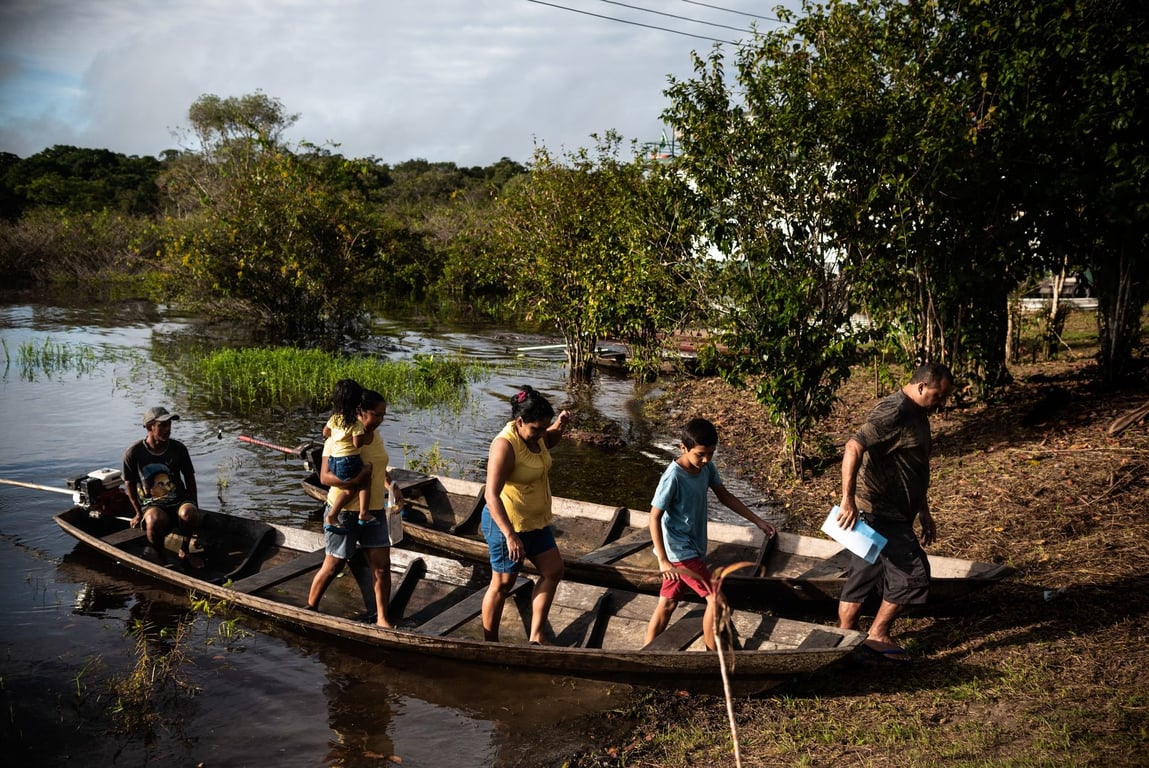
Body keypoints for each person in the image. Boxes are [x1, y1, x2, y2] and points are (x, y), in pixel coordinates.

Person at [835, 361, 954, 662]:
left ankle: (845, 638)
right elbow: (853, 447)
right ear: (922, 386)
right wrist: (847, 499)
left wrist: (924, 510)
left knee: (862, 577)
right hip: (879, 514)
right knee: (914, 574)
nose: (941, 403)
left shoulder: (918, 413)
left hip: (892, 512)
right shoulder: (894, 411)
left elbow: (914, 467)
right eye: (938, 396)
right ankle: (878, 633)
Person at [643, 417, 776, 650]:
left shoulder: (706, 468)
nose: (705, 460)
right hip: (679, 551)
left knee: (667, 604)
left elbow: (725, 497)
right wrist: (663, 560)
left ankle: (646, 652)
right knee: (716, 600)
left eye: (711, 454)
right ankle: (713, 654)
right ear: (683, 448)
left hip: (693, 546)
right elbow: (654, 516)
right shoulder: (673, 477)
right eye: (700, 455)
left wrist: (758, 521)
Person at [480, 386, 572, 644]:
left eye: (544, 428)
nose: (541, 434)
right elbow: (491, 495)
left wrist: (558, 425)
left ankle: (537, 635)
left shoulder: (537, 435)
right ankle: (490, 643)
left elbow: (549, 440)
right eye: (536, 429)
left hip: (535, 523)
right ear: (519, 422)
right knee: (502, 584)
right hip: (506, 524)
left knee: (553, 571)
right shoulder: (505, 446)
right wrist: (510, 535)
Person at [306, 388, 404, 628]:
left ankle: (382, 619)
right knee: (334, 565)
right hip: (344, 512)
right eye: (376, 415)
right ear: (361, 412)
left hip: (375, 511)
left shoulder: (375, 436)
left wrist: (391, 485)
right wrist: (352, 482)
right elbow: (325, 477)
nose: (379, 420)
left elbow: (377, 466)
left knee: (382, 567)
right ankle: (310, 608)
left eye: (383, 415)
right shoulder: (338, 437)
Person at [123, 406, 203, 568]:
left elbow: (189, 477)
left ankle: (185, 550)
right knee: (153, 520)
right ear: (149, 427)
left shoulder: (178, 449)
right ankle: (162, 558)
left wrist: (194, 504)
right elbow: (129, 484)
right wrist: (138, 513)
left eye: (169, 425)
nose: (168, 429)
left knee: (189, 512)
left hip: (179, 501)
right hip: (153, 505)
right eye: (163, 425)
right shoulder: (134, 453)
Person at [322, 379, 375, 528]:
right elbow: (357, 443)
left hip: (334, 461)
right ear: (357, 403)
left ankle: (336, 514)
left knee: (349, 488)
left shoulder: (334, 419)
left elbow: (325, 433)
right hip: (349, 461)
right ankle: (361, 512)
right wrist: (365, 436)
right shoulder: (355, 423)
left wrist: (337, 437)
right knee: (364, 477)